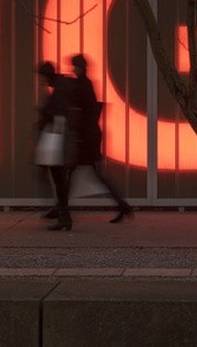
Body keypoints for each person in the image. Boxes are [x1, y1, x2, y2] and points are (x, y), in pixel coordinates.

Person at [69, 53, 133, 223]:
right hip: (90, 136)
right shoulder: (86, 84)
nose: (73, 69)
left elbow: (81, 113)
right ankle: (123, 206)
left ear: (80, 67)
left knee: (75, 172)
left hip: (86, 138)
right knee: (83, 173)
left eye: (74, 66)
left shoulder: (82, 85)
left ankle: (61, 209)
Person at [35, 61, 76, 231]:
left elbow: (55, 113)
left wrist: (43, 111)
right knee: (61, 180)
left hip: (57, 141)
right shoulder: (62, 85)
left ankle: (64, 217)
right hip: (61, 140)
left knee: (59, 180)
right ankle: (63, 216)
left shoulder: (59, 90)